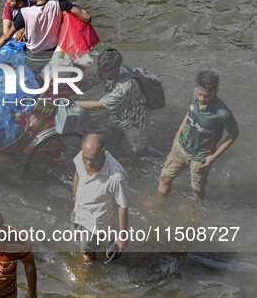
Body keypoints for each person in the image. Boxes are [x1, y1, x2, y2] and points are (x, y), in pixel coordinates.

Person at [150, 71, 239, 201]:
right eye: (200, 94)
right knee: (165, 177)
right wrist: (178, 132)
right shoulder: (194, 93)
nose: (202, 99)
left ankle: (194, 207)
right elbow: (190, 112)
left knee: (197, 190)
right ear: (196, 88)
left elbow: (234, 134)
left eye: (207, 96)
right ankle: (158, 202)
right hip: (181, 146)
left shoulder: (223, 113)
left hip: (201, 157)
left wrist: (213, 158)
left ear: (216, 91)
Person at [75, 48, 159, 156]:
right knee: (111, 142)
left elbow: (100, 105)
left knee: (138, 149)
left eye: (103, 70)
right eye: (99, 68)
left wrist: (71, 103)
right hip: (117, 114)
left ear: (115, 69)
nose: (99, 72)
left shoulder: (126, 86)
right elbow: (90, 83)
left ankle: (160, 156)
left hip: (134, 122)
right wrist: (64, 92)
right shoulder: (106, 69)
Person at [72, 133, 128, 261]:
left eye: (92, 159)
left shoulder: (116, 176)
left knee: (87, 251)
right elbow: (77, 176)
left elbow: (122, 205)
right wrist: (75, 204)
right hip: (79, 211)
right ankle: (100, 247)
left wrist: (123, 235)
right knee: (77, 236)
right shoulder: (83, 155)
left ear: (103, 152)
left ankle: (88, 269)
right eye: (85, 158)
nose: (87, 162)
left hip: (96, 221)